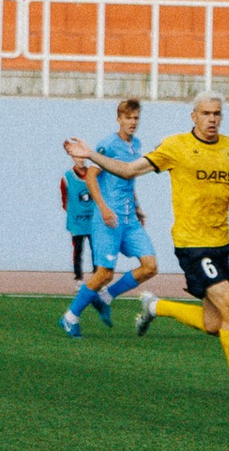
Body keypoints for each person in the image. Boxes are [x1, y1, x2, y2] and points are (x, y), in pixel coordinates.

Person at [65, 94, 229, 407]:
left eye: (217, 113)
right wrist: (91, 155)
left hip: (221, 244)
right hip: (193, 245)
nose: (212, 119)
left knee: (214, 324)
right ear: (194, 116)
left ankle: (156, 307)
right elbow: (128, 170)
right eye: (206, 113)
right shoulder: (175, 146)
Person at [60, 99, 159, 336]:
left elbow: (128, 177)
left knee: (150, 267)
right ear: (119, 119)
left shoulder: (136, 145)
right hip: (108, 218)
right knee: (104, 273)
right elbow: (91, 177)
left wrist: (137, 207)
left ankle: (105, 298)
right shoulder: (107, 144)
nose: (132, 122)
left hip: (129, 219)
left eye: (136, 118)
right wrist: (103, 208)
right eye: (128, 118)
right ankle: (70, 317)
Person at [61, 161, 98, 285]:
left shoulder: (95, 175)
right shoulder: (67, 177)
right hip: (77, 223)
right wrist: (73, 212)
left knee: (97, 250)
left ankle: (98, 278)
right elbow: (64, 199)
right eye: (77, 157)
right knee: (78, 250)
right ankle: (78, 278)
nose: (80, 160)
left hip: (93, 222)